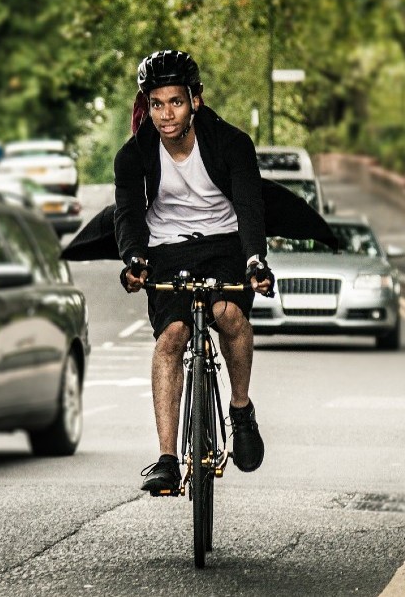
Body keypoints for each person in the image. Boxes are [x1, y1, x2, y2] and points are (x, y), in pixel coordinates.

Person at [114, 49, 274, 494]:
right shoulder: (133, 156)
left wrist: (255, 260)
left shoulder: (231, 143)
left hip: (224, 244)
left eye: (176, 102)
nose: (166, 115)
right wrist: (134, 260)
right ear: (148, 105)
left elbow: (248, 204)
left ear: (195, 102)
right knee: (172, 337)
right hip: (166, 248)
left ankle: (240, 410)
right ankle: (167, 459)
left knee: (230, 316)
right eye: (157, 104)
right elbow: (127, 214)